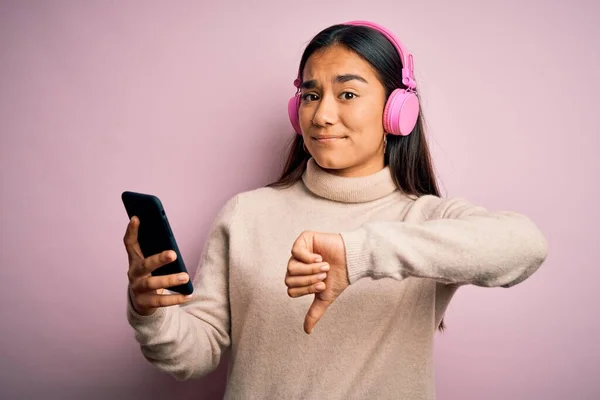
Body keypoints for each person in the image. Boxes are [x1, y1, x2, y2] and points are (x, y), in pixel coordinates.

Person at [124, 20, 548, 399]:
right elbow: (196, 354)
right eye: (310, 95)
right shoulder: (245, 214)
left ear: (397, 111)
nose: (322, 114)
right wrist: (153, 315)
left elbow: (525, 246)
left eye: (347, 94)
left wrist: (358, 254)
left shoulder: (424, 220)